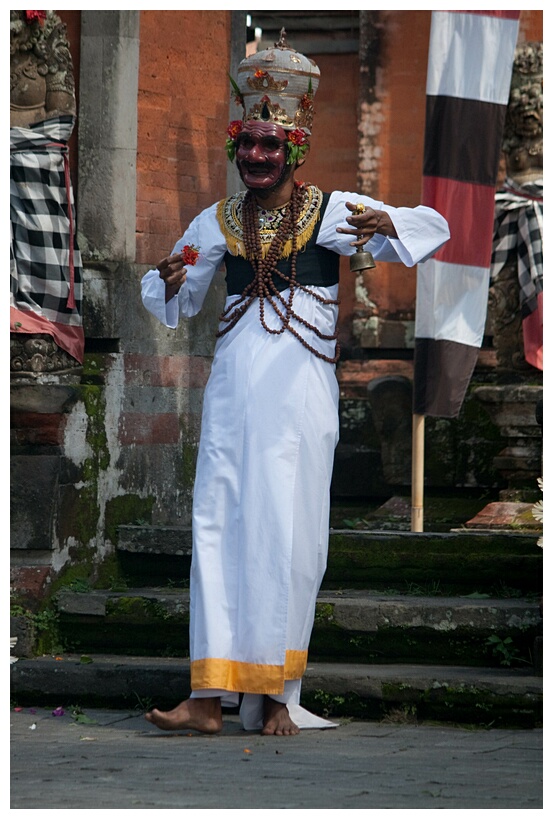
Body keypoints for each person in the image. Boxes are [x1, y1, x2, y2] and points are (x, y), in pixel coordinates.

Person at [141, 30, 449, 736]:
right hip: (231, 398)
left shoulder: (332, 211)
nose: (254, 156)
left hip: (299, 401)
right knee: (217, 525)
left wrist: (387, 220)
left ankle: (277, 691)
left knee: (290, 533)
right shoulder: (214, 222)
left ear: (294, 149)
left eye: (268, 146)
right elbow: (172, 299)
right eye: (245, 144)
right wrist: (170, 278)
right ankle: (208, 696)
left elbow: (427, 231)